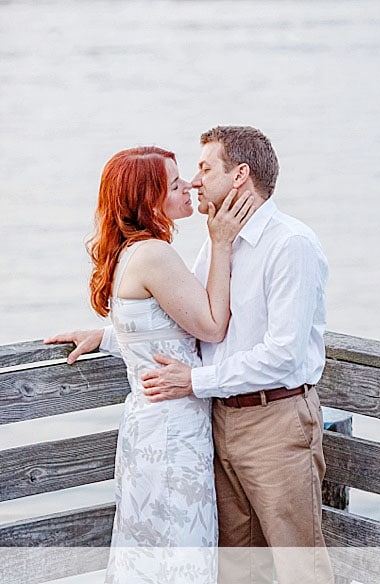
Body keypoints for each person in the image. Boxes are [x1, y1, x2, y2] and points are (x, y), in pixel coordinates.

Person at [49, 127, 333, 584]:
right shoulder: (216, 242)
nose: (195, 183)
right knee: (237, 565)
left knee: (299, 563)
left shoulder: (289, 244)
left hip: (274, 421)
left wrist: (193, 382)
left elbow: (282, 354)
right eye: (184, 178)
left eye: (203, 170)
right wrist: (114, 335)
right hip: (217, 421)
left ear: (240, 175)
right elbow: (181, 320)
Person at [46, 146, 255, 582]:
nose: (188, 187)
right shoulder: (154, 254)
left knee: (153, 551)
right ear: (148, 198)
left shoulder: (131, 253)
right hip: (172, 435)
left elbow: (154, 332)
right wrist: (221, 243)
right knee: (180, 553)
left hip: (153, 427)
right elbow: (213, 327)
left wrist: (105, 336)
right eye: (174, 184)